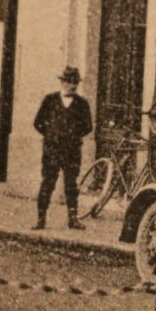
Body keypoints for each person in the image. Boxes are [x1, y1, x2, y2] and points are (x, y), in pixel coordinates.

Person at [33, 66, 94, 230]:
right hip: (52, 151)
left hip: (72, 151)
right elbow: (38, 122)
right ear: (62, 82)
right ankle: (41, 218)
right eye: (68, 81)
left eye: (75, 82)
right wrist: (52, 135)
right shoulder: (50, 100)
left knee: (71, 185)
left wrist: (73, 136)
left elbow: (88, 126)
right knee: (47, 183)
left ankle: (73, 219)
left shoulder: (82, 104)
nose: (72, 85)